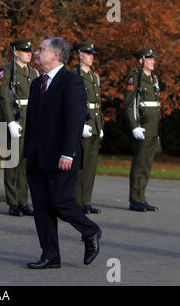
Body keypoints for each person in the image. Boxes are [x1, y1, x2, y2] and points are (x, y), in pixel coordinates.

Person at [24, 36, 101, 269]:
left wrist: (68, 153)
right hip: (37, 157)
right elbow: (33, 122)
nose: (37, 53)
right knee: (41, 208)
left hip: (61, 157)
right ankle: (50, 256)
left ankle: (90, 231)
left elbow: (75, 120)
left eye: (41, 49)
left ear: (55, 54)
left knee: (60, 202)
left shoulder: (72, 81)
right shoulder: (37, 83)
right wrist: (28, 152)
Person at [0, 38, 39, 217]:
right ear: (16, 52)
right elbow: (4, 98)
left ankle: (23, 201)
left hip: (30, 122)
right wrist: (10, 121)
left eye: (30, 51)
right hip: (15, 121)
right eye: (24, 51)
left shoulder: (34, 73)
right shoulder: (6, 71)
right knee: (12, 163)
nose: (29, 53)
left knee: (25, 165)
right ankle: (13, 202)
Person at [123, 47, 160, 212]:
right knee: (139, 164)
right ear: (141, 61)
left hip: (152, 129)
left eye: (153, 59)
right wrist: (135, 127)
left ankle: (142, 197)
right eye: (150, 59)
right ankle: (135, 199)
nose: (153, 62)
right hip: (142, 128)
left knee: (147, 165)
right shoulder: (135, 78)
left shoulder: (153, 79)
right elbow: (129, 105)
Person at [73, 41, 103, 214]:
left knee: (91, 166)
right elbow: (73, 103)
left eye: (92, 55)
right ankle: (76, 201)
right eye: (88, 54)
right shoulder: (75, 75)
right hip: (82, 124)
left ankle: (86, 201)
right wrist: (80, 124)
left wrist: (101, 125)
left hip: (95, 125)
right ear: (80, 55)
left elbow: (97, 104)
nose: (91, 57)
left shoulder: (94, 77)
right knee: (80, 165)